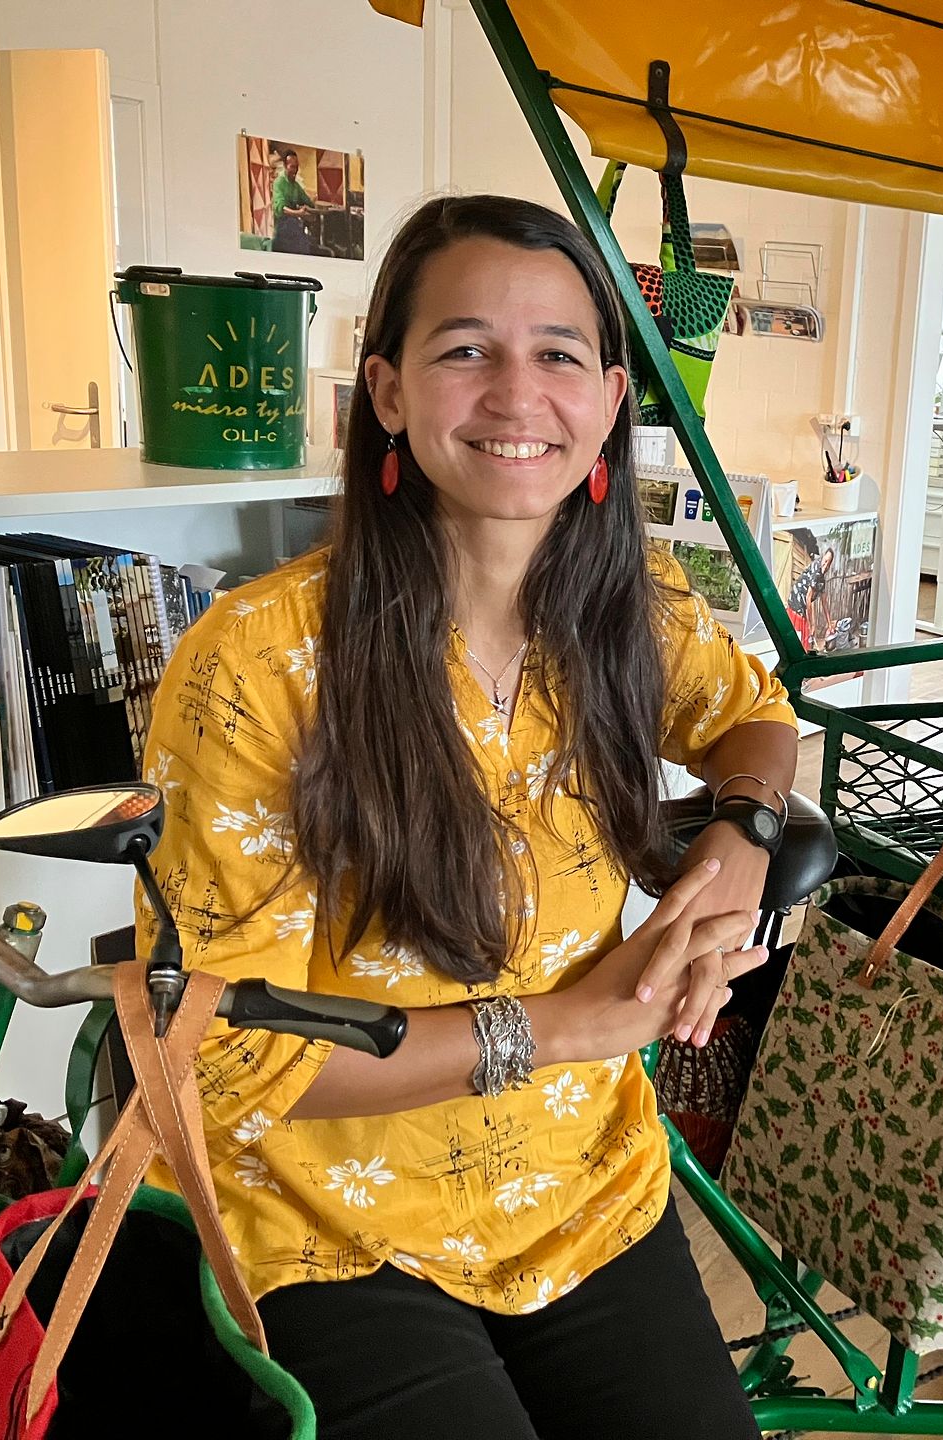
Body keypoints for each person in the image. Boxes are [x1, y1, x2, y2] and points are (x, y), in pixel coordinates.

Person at [138, 194, 797, 1439]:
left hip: (584, 1186)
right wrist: (558, 1027)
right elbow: (222, 1055)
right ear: (386, 391)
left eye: (557, 354)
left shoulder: (632, 610)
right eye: (464, 351)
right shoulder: (258, 664)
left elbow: (755, 714)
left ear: (608, 402)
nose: (514, 394)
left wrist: (742, 839)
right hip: (331, 1218)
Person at [271, 148, 315, 254]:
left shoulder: (296, 186)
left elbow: (307, 201)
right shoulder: (279, 183)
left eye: (297, 167)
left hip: (295, 226)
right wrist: (298, 213)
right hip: (283, 229)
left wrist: (312, 206)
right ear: (285, 167)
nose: (295, 170)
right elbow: (281, 208)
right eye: (292, 167)